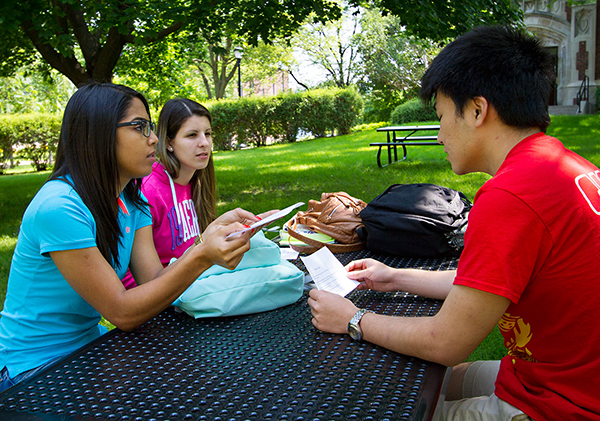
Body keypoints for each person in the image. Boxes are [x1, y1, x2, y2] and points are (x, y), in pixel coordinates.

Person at [308, 25, 600, 421]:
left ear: (477, 110)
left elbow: (446, 342)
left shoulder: (512, 195)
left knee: (397, 404)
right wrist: (394, 276)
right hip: (562, 374)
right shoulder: (559, 166)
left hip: (563, 405)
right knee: (443, 382)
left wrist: (352, 320)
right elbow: (486, 284)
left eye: (443, 116)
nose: (441, 133)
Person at [0, 83, 258, 392]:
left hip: (88, 349)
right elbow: (122, 311)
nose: (153, 138)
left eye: (150, 127)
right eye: (140, 127)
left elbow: (152, 280)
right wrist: (202, 257)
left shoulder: (131, 201)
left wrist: (206, 240)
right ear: (99, 134)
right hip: (32, 370)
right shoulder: (59, 208)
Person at [121, 98, 274, 289]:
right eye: (192, 135)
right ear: (169, 143)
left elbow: (198, 247)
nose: (204, 143)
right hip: (163, 299)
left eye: (208, 134)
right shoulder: (149, 190)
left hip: (197, 283)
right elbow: (131, 275)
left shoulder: (198, 182)